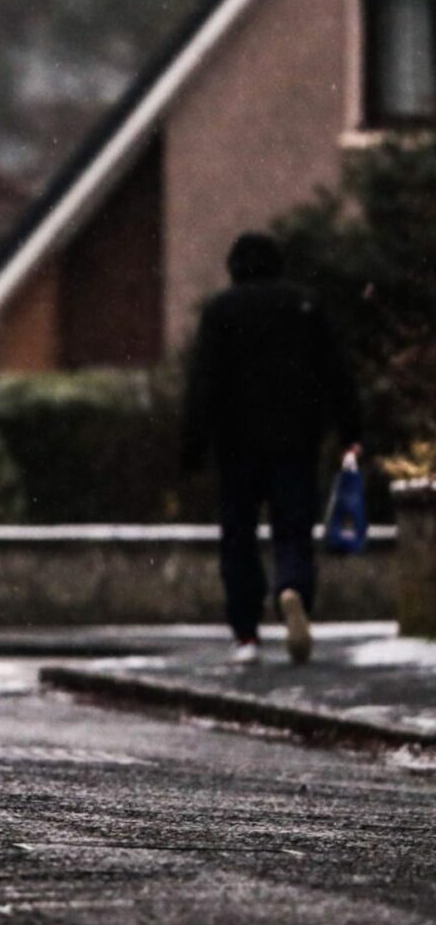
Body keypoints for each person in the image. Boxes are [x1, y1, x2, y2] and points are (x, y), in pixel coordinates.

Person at [182, 231, 363, 666]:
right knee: (294, 529)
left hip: (237, 447)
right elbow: (336, 373)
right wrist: (350, 432)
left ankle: (246, 634)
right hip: (296, 443)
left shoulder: (221, 310)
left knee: (239, 537)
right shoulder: (305, 307)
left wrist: (192, 446)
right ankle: (293, 589)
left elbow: (203, 383)